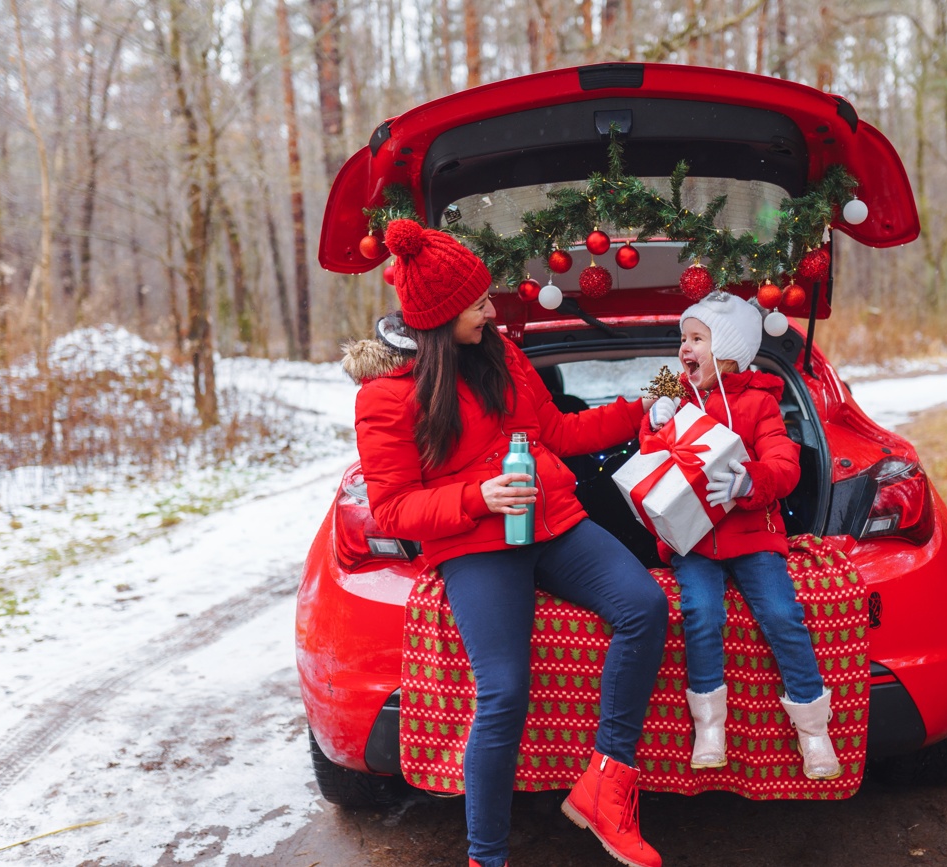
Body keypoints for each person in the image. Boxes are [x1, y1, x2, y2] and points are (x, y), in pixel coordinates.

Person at [351, 218, 669, 867]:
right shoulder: (387, 399)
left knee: (645, 606)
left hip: (552, 522)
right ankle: (486, 856)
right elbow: (391, 508)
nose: (489, 310)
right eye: (475, 304)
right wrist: (477, 498)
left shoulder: (502, 352)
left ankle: (607, 784)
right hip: (474, 545)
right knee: (503, 690)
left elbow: (558, 430)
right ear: (438, 317)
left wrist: (642, 408)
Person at [644, 292, 841, 781]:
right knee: (702, 614)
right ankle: (710, 726)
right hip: (694, 541)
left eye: (696, 338)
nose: (683, 348)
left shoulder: (758, 402)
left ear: (728, 349)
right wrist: (651, 423)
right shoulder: (672, 391)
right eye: (681, 339)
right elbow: (649, 461)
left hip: (752, 534)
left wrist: (752, 480)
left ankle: (814, 730)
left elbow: (784, 463)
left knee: (781, 614)